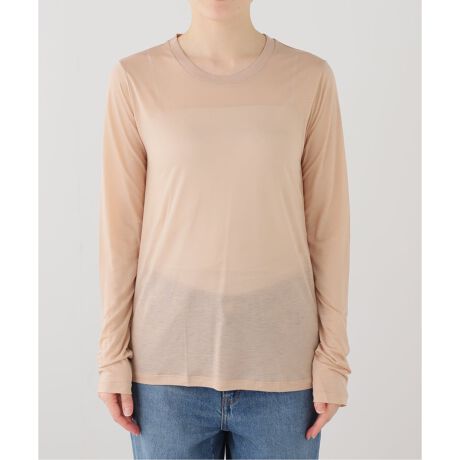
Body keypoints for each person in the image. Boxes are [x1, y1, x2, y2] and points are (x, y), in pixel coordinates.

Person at [97, 0, 351, 458]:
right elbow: (120, 232)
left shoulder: (309, 78)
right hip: (164, 374)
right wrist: (111, 355)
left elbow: (328, 228)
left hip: (283, 371)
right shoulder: (135, 78)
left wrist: (334, 358)